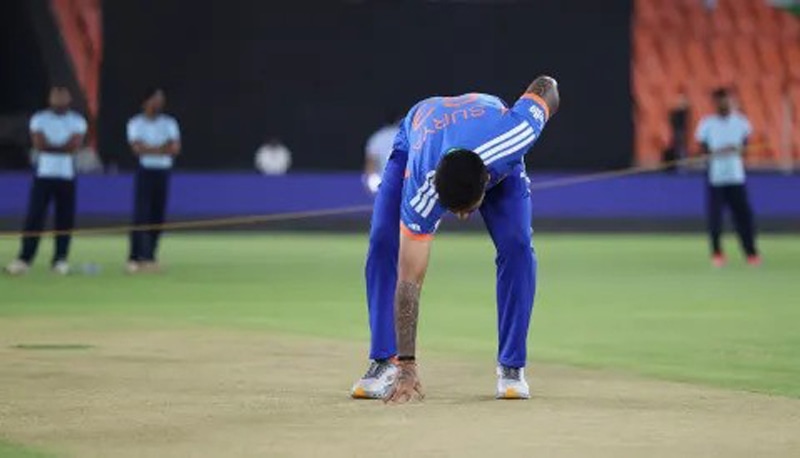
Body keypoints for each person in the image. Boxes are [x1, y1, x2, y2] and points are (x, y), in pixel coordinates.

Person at [351, 76, 559, 403]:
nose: (462, 218)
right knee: (382, 241)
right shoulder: (422, 187)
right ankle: (384, 362)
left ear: (486, 183)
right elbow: (409, 281)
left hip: (489, 130)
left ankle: (511, 366)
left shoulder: (514, 134)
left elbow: (547, 86)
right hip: (419, 131)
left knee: (518, 246)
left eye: (467, 209)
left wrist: (543, 98)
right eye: (453, 210)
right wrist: (408, 364)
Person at [4, 86, 87, 276]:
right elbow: (39, 144)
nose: (59, 101)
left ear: (68, 99)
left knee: (64, 219)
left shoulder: (77, 121)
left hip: (66, 176)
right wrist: (60, 147)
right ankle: (24, 259)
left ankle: (60, 259)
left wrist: (52, 147)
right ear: (50, 99)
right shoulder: (39, 119)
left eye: (62, 97)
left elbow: (74, 146)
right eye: (55, 97)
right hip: (44, 175)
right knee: (34, 218)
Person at [695, 87, 760, 267]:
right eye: (719, 101)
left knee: (743, 216)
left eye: (726, 100)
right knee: (715, 218)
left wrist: (736, 149)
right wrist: (714, 152)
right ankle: (717, 253)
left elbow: (745, 146)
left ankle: (751, 253)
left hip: (736, 177)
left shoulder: (741, 122)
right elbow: (703, 149)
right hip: (716, 178)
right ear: (715, 104)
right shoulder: (707, 124)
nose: (723, 104)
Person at [126, 88, 181, 273]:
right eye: (155, 99)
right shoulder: (136, 123)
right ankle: (134, 257)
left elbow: (174, 148)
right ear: (145, 101)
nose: (159, 102)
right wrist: (160, 149)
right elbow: (137, 149)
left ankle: (150, 257)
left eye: (161, 99)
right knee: (141, 215)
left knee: (157, 216)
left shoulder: (169, 123)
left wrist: (151, 149)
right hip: (145, 171)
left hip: (163, 171)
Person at [363, 114, 401, 194]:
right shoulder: (404, 135)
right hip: (402, 180)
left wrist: (370, 180)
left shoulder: (377, 137)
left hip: (383, 182)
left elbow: (371, 161)